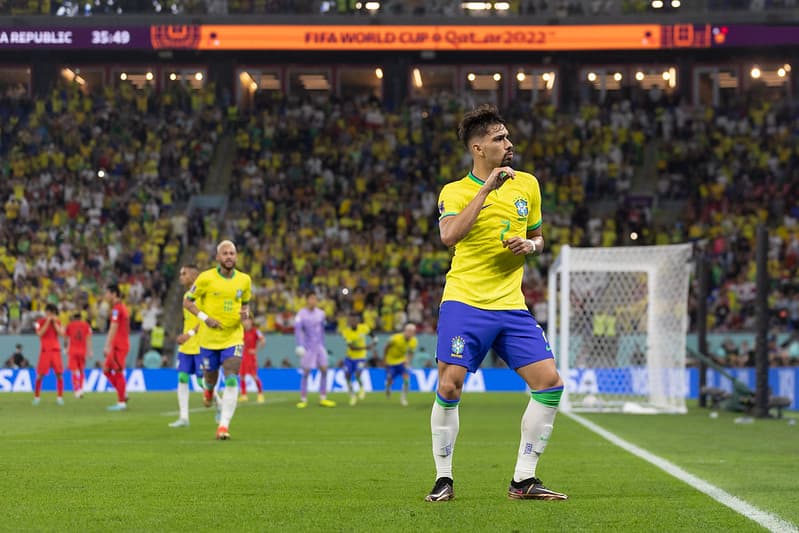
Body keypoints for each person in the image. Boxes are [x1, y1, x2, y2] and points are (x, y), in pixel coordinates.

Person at [425, 104, 567, 503]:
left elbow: (540, 237)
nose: (509, 144)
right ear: (477, 149)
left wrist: (531, 246)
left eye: (507, 137)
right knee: (450, 385)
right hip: (464, 302)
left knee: (550, 384)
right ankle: (443, 478)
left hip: (510, 305)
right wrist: (486, 190)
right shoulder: (454, 192)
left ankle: (523, 479)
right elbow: (449, 236)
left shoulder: (528, 185)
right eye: (498, 139)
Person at [183, 240, 252, 440]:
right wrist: (205, 318)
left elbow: (245, 307)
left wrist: (246, 320)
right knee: (210, 378)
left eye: (232, 253)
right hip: (209, 339)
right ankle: (209, 391)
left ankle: (223, 426)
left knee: (231, 376)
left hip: (233, 337)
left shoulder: (244, 280)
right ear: (217, 257)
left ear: (236, 257)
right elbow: (187, 302)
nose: (229, 257)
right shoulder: (206, 279)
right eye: (225, 253)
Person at [170, 264, 204, 428]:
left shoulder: (203, 295)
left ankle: (218, 404)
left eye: (184, 273)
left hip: (200, 343)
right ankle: (184, 417)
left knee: (203, 382)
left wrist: (188, 335)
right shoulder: (186, 295)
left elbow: (204, 320)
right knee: (182, 377)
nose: (181, 277)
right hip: (187, 345)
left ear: (194, 275)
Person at [294, 291, 336, 408]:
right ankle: (303, 399)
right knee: (306, 372)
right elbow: (298, 331)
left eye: (315, 299)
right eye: (311, 299)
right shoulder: (301, 314)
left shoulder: (321, 314)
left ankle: (323, 398)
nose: (313, 301)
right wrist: (300, 345)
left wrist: (323, 345)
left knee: (324, 370)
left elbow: (322, 331)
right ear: (307, 300)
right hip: (308, 347)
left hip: (319, 346)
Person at [104, 284, 131, 411]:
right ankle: (123, 393)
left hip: (118, 345)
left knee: (118, 372)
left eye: (107, 293)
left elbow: (113, 327)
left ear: (114, 294)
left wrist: (107, 345)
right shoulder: (121, 308)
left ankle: (121, 402)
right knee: (106, 369)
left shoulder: (117, 309)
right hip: (120, 344)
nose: (106, 296)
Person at [33, 303, 66, 405]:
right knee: (40, 375)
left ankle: (60, 397)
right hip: (45, 351)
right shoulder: (39, 322)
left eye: (52, 313)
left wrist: (54, 323)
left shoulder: (58, 322)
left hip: (55, 350)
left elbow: (61, 333)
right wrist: (47, 322)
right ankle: (37, 397)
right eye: (48, 312)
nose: (50, 315)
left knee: (59, 374)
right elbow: (39, 334)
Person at [339, 312, 374, 406]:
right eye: (351, 320)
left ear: (358, 321)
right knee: (347, 375)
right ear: (349, 322)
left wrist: (375, 340)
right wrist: (367, 347)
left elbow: (372, 334)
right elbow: (351, 347)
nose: (353, 322)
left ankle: (362, 388)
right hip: (350, 357)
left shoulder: (363, 328)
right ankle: (352, 395)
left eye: (355, 320)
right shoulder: (346, 332)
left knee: (358, 374)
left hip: (360, 357)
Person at [383, 323, 418, 407]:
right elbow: (385, 347)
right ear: (405, 331)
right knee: (389, 380)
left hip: (401, 362)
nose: (410, 333)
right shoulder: (395, 338)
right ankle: (388, 388)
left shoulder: (414, 341)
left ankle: (403, 399)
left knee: (407, 380)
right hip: (391, 362)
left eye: (412, 332)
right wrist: (384, 360)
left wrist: (408, 361)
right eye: (409, 331)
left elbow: (411, 353)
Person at [64, 312, 92, 399]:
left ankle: (76, 390)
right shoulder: (86, 325)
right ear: (80, 318)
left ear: (74, 318)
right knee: (81, 370)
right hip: (82, 351)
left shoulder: (69, 325)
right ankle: (81, 389)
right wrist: (90, 351)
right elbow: (88, 339)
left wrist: (65, 348)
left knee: (74, 371)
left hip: (73, 351)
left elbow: (65, 338)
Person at [239, 316, 266, 403]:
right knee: (242, 376)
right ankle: (244, 395)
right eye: (244, 320)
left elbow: (263, 341)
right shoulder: (241, 331)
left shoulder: (255, 331)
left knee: (254, 375)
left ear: (251, 321)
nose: (245, 322)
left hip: (251, 357)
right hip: (242, 356)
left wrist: (256, 350)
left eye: (247, 320)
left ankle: (260, 394)